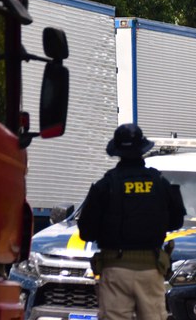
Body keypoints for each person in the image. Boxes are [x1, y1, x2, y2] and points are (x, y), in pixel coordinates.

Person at [78, 123, 186, 320]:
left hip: (115, 270)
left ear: (117, 151)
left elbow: (86, 231)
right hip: (151, 269)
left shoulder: (106, 185)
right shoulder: (159, 182)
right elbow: (176, 221)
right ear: (142, 149)